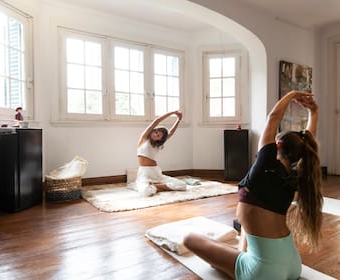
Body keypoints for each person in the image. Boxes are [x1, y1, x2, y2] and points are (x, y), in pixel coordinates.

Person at [183, 90, 323, 280]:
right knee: (245, 230)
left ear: (278, 146)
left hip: (264, 272)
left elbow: (273, 118)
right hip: (292, 264)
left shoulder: (265, 164)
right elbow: (308, 142)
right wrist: (313, 113)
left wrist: (292, 94)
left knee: (189, 239)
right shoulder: (295, 177)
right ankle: (240, 254)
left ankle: (238, 259)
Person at [134, 110, 187, 197]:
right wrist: (173, 113)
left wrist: (179, 120)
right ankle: (155, 186)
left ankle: (155, 186)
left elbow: (171, 133)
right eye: (156, 132)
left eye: (158, 136)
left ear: (160, 140)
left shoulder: (157, 145)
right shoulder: (143, 139)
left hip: (156, 172)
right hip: (144, 173)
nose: (155, 135)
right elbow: (156, 121)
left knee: (182, 185)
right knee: (145, 192)